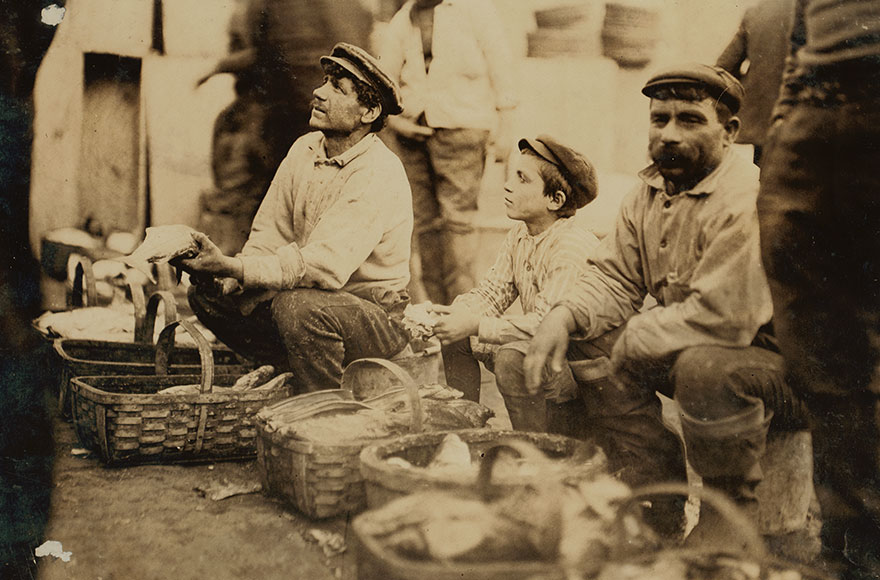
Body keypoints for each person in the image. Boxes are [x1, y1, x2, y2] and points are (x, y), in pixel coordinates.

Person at [524, 64, 810, 543]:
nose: (671, 134)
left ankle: (729, 503)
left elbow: (726, 319)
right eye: (660, 120)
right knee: (583, 335)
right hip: (700, 343)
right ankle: (657, 486)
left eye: (690, 120)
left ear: (729, 131)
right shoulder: (650, 191)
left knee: (705, 367)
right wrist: (562, 316)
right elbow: (614, 276)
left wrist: (634, 337)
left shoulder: (746, 197)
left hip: (787, 369)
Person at [178, 43, 414, 392]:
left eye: (337, 87)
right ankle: (285, 369)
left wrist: (234, 267)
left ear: (369, 111)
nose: (318, 93)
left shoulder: (379, 171)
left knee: (296, 306)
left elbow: (324, 267)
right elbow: (270, 232)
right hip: (313, 302)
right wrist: (232, 276)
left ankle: (325, 407)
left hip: (374, 314)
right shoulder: (304, 149)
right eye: (325, 81)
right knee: (207, 293)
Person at [758, 1, 880, 577]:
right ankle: (848, 552)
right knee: (823, 362)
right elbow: (802, 35)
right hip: (816, 118)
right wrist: (786, 126)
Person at [432, 135, 599, 432]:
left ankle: (532, 446)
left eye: (522, 179)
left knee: (513, 357)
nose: (508, 186)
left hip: (582, 374)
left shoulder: (571, 246)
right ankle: (465, 430)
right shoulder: (521, 234)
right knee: (458, 321)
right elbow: (493, 293)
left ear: (555, 200)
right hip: (545, 357)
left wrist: (475, 325)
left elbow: (546, 325)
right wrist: (455, 314)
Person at [198, 0, 374, 254]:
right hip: (342, 117)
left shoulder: (271, 6)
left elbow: (262, 53)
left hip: (292, 115)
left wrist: (218, 67)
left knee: (268, 200)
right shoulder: (354, 7)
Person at [377, 0, 519, 305]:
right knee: (424, 224)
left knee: (459, 226)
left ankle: (463, 317)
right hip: (414, 135)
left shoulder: (478, 10)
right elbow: (384, 77)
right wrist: (397, 123)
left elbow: (502, 66)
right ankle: (436, 316)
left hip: (463, 132)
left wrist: (506, 126)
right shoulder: (405, 17)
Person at [715, 0, 796, 165]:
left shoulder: (757, 12)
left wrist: (750, 87)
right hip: (803, 122)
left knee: (763, 181)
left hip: (764, 124)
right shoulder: (817, 13)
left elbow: (724, 66)